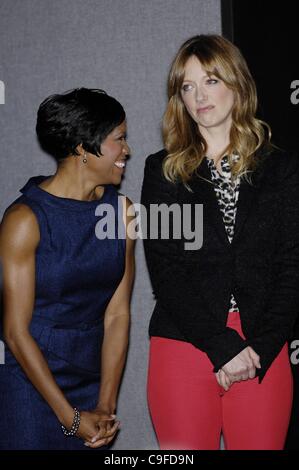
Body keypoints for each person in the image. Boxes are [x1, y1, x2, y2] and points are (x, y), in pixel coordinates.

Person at [141, 35, 299, 450]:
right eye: (187, 86)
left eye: (210, 81)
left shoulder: (280, 169)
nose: (198, 96)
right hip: (185, 341)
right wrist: (221, 346)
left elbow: (291, 267)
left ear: (237, 84)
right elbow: (165, 269)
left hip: (261, 346)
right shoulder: (162, 171)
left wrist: (257, 349)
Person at [0, 88, 135, 450]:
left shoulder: (122, 213)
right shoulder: (24, 220)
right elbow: (15, 331)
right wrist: (70, 418)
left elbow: (118, 314)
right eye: (118, 139)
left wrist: (106, 405)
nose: (127, 151)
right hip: (30, 380)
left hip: (91, 375)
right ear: (82, 148)